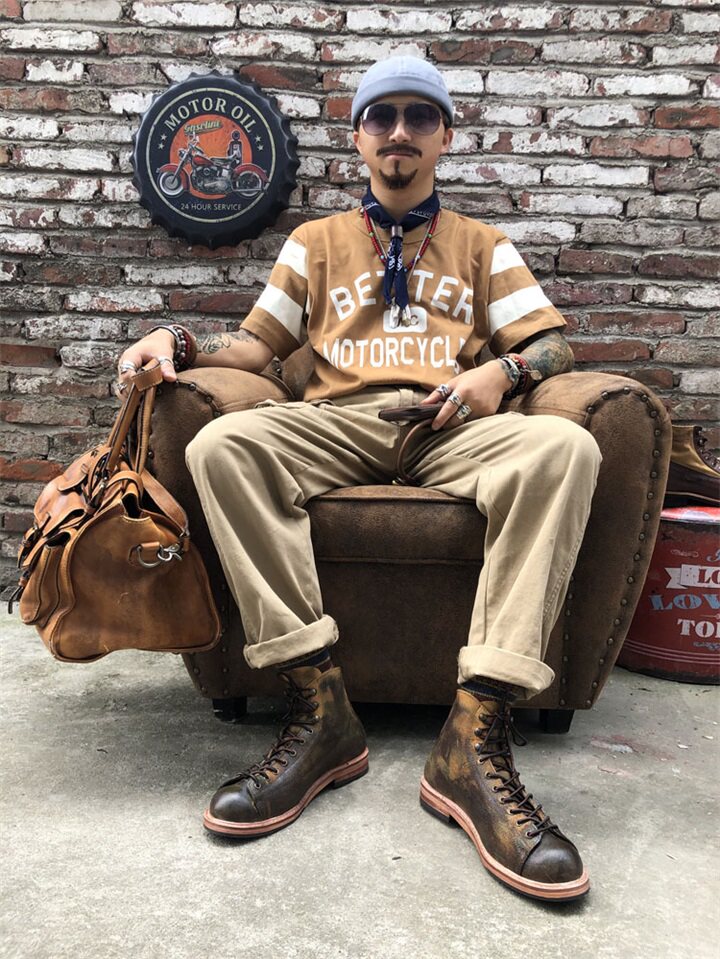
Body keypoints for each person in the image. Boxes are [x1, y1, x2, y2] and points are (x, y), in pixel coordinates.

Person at [117, 57, 601, 902]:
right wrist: (176, 340)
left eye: (420, 117)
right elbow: (255, 350)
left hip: (450, 424)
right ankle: (317, 709)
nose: (400, 132)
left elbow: (552, 345)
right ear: (358, 137)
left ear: (445, 137)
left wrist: (504, 374)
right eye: (382, 116)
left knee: (567, 449)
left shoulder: (483, 245)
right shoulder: (315, 243)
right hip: (338, 421)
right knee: (222, 445)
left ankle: (475, 737)